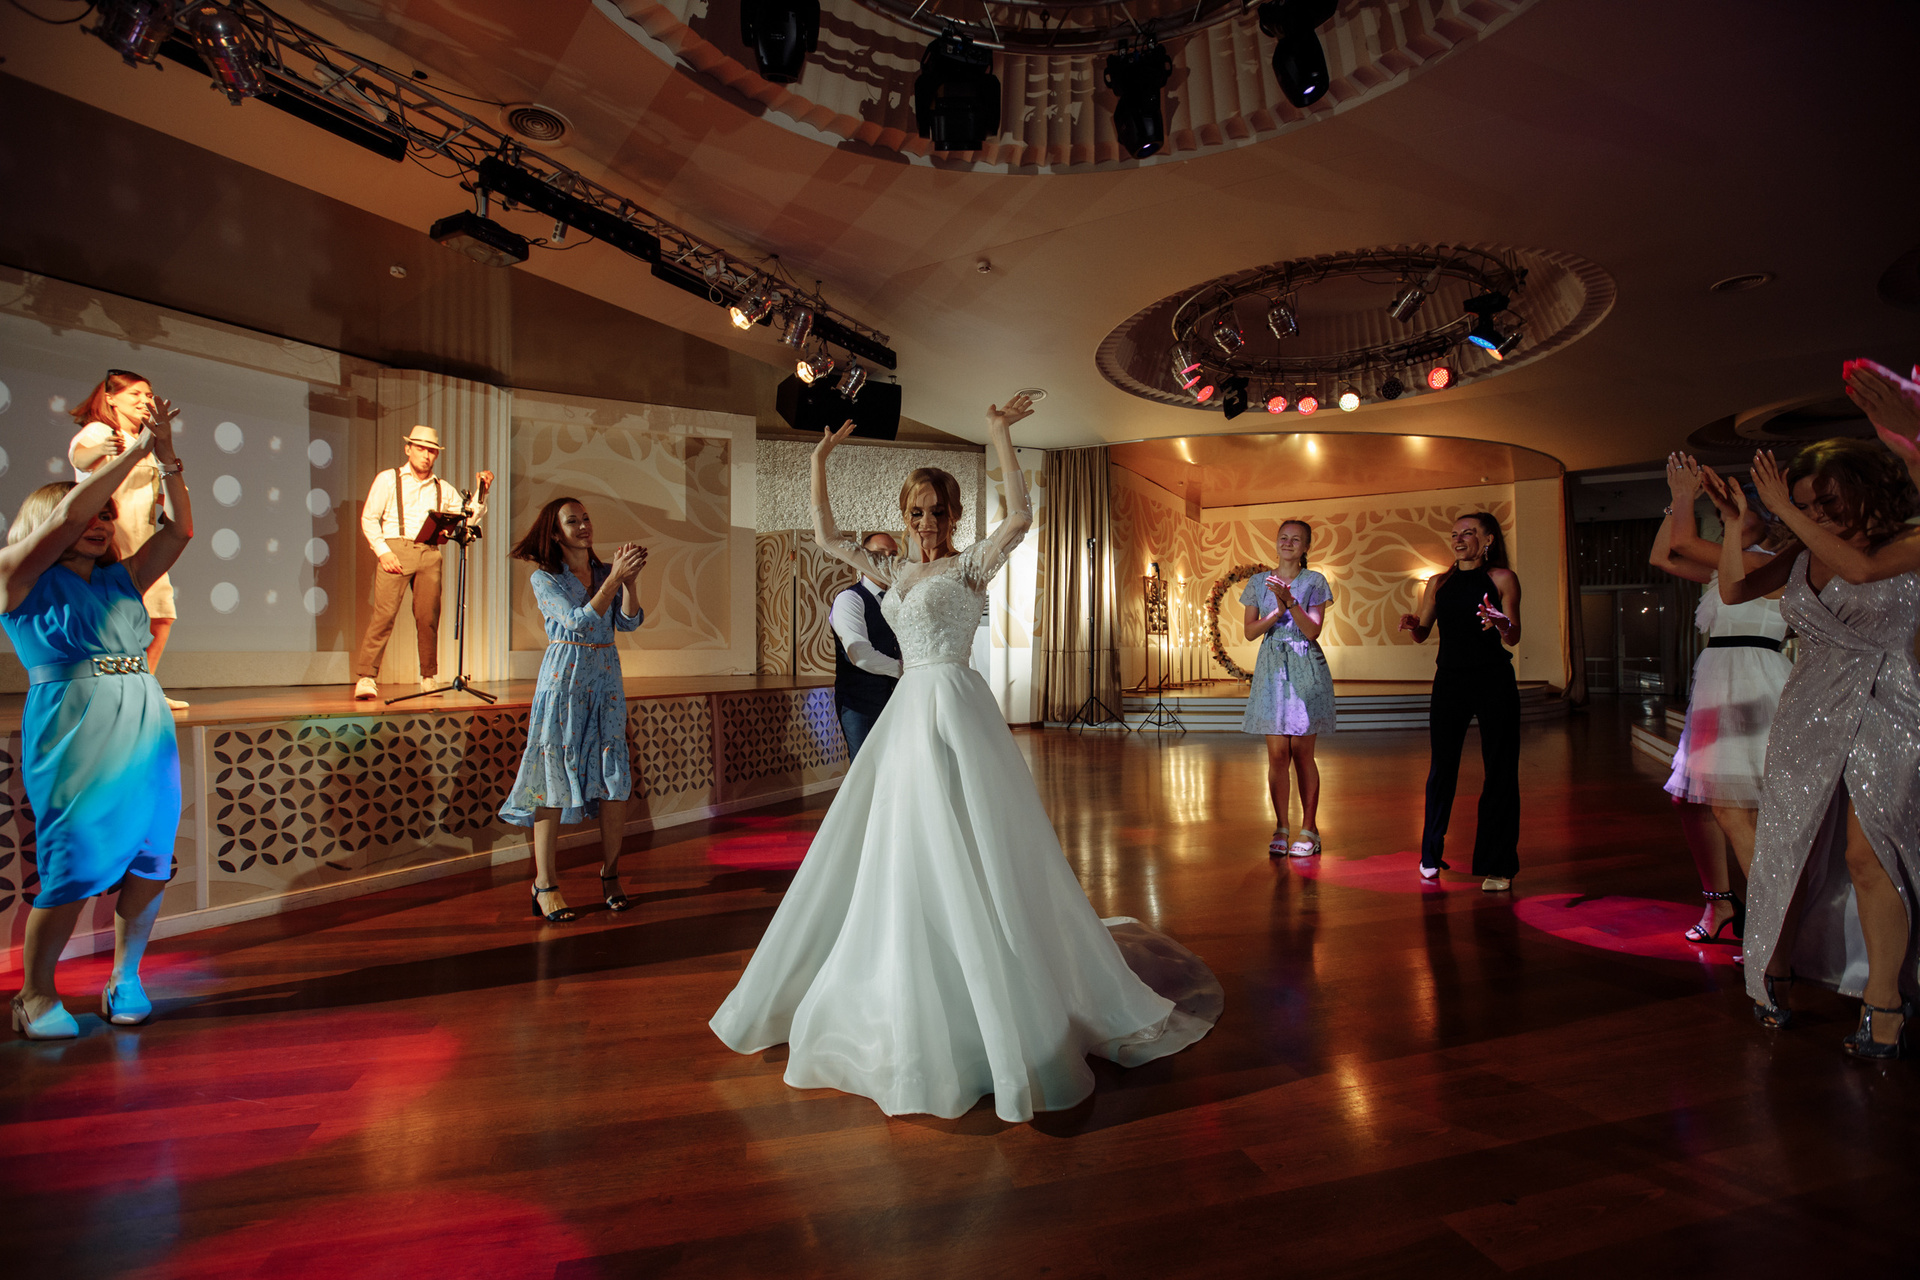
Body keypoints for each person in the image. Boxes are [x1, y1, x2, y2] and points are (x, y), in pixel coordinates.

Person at [711, 396, 1220, 1122]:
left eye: (938, 511)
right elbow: (825, 535)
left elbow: (1021, 515)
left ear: (952, 516)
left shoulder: (969, 566)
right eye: (916, 512)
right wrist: (819, 461)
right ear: (904, 515)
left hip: (956, 705)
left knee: (976, 835)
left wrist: (998, 433)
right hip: (907, 714)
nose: (926, 522)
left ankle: (998, 974)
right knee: (902, 841)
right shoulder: (889, 573)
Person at [1704, 439, 1920, 1059]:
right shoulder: (1803, 550)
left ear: (1866, 487)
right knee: (1788, 846)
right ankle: (1775, 966)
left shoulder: (1907, 541)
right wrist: (1733, 524)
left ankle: (1885, 1000)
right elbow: (1735, 590)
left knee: (1869, 854)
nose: (1815, 514)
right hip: (1809, 708)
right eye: (1803, 504)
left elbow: (1860, 570)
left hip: (1889, 702)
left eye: (1825, 500)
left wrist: (1783, 514)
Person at [3, 407, 193, 1039]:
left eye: (108, 515)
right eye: (92, 513)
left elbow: (181, 530)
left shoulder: (123, 578)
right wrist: (132, 452)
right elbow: (65, 517)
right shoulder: (16, 577)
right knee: (73, 863)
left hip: (145, 723)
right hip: (75, 730)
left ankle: (125, 978)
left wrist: (165, 458)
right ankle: (34, 995)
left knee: (150, 858)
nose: (101, 523)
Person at [1648, 453, 1794, 945]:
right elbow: (1663, 557)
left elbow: (1685, 543)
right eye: (1722, 512)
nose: (1727, 518)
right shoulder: (1726, 569)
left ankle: (1773, 932)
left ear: (1767, 518)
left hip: (1751, 680)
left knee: (1738, 808)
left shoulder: (1769, 564)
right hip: (1718, 678)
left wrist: (1684, 495)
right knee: (1692, 802)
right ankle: (1721, 903)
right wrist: (1676, 504)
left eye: (1737, 511)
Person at [499, 498, 647, 923]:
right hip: (564, 678)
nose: (584, 526)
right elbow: (577, 622)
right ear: (555, 532)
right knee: (552, 776)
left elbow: (630, 622)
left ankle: (611, 873)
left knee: (613, 778)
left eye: (586, 518)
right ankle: (545, 884)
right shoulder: (545, 578)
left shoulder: (605, 572)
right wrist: (613, 580)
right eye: (572, 521)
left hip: (606, 679)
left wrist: (629, 583)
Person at [1399, 513, 1524, 891]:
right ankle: (1430, 855)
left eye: (1468, 533)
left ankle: (1498, 866)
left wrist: (1500, 621)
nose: (1458, 539)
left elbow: (1513, 635)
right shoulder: (1438, 583)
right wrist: (1414, 626)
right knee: (1442, 768)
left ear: (1488, 540)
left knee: (1500, 770)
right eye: (1454, 534)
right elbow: (1423, 631)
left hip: (1493, 680)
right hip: (1450, 681)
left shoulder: (1502, 578)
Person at [67, 370, 188, 711]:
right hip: (111, 540)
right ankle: (105, 692)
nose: (144, 400)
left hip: (144, 538)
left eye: (148, 395)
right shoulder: (101, 431)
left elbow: (157, 491)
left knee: (161, 614)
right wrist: (101, 449)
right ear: (110, 398)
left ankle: (145, 687)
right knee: (114, 616)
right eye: (135, 394)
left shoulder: (148, 443)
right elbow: (80, 457)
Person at [352, 426, 491, 701]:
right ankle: (367, 677)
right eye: (420, 449)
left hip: (429, 552)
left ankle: (428, 677)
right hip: (395, 548)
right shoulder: (388, 479)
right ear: (408, 449)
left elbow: (468, 518)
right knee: (384, 615)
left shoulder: (442, 487)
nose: (426, 455)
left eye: (431, 451)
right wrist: (383, 551)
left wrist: (482, 492)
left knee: (428, 618)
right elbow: (369, 517)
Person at [1239, 519, 1335, 858]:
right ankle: (1281, 826)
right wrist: (1276, 611)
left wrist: (1291, 603)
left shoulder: (1315, 581)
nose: (1288, 543)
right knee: (1278, 754)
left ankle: (1309, 829)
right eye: (1283, 537)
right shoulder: (1257, 582)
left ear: (1306, 547)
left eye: (1296, 539)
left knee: (1302, 753)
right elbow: (1250, 632)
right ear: (1276, 542)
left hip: (1305, 665)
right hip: (1272, 668)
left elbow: (1312, 631)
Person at [829, 532, 902, 759]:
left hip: (899, 701)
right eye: (879, 554)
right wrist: (907, 670)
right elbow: (860, 654)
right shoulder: (850, 599)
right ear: (863, 557)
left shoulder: (899, 599)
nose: (887, 560)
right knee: (867, 768)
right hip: (861, 704)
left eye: (892, 555)